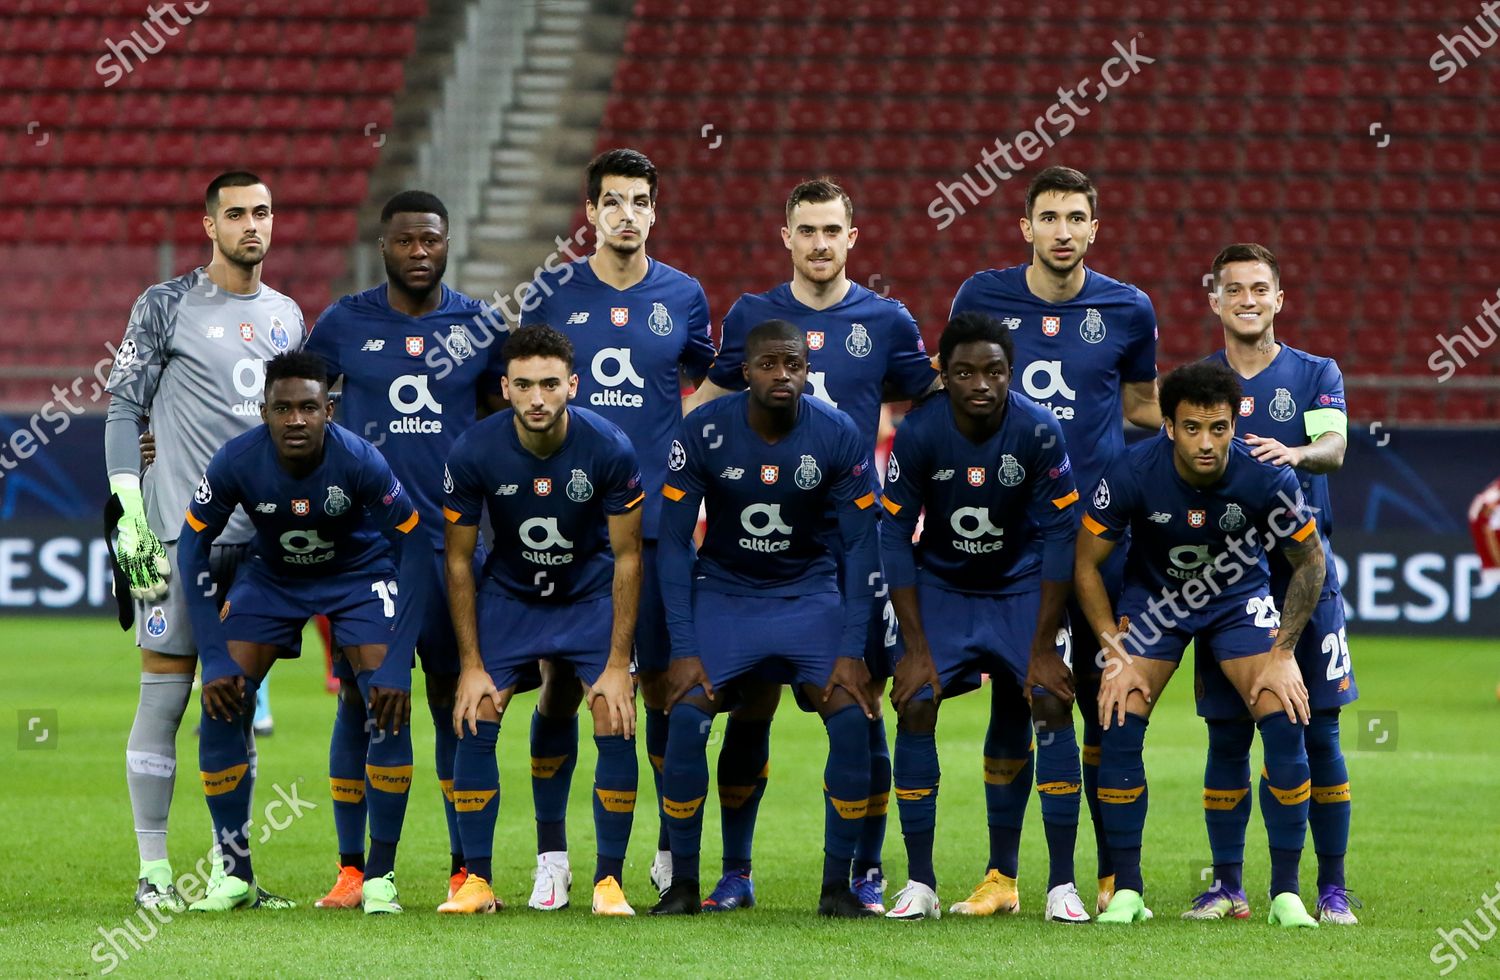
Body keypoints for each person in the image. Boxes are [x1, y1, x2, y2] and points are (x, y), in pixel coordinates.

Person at [682, 177, 936, 913]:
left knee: (862, 702)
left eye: (833, 230)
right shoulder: (754, 315)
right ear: (785, 237)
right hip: (756, 555)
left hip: (849, 553)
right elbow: (704, 409)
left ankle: (863, 869)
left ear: (852, 238)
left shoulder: (886, 321)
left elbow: (933, 405)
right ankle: (735, 870)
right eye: (808, 230)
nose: (821, 243)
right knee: (751, 706)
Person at [949, 164, 1161, 913]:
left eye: (1077, 217)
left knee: (1106, 702)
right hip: (1009, 538)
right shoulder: (981, 298)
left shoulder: (1129, 310)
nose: (1064, 231)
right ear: (1026, 227)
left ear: (1094, 228)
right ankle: (1003, 877)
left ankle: (1110, 874)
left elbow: (1143, 411)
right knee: (1014, 699)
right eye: (1050, 217)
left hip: (1101, 542)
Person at [518, 148, 714, 905]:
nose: (626, 215)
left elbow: (714, 373)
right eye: (612, 202)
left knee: (661, 687)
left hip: (659, 526)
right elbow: (521, 394)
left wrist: (679, 438)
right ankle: (553, 859)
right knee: (564, 685)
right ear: (590, 213)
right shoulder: (554, 291)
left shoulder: (685, 295)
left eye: (639, 201)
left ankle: (667, 851)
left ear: (654, 212)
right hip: (568, 530)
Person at [104, 170, 304, 911]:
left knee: (235, 702)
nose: (254, 225)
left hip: (262, 545)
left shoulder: (288, 315)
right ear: (208, 224)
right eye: (238, 214)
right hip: (172, 539)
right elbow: (124, 410)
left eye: (264, 211)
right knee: (164, 695)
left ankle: (234, 871)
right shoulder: (165, 305)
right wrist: (128, 507)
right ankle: (153, 871)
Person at [178, 351, 431, 914]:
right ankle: (235, 875)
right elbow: (192, 544)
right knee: (222, 703)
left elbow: (414, 543)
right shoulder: (236, 461)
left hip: (358, 576)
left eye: (308, 407)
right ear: (263, 410)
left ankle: (380, 878)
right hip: (273, 580)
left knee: (387, 701)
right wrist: (213, 658)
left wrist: (398, 662)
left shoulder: (360, 461)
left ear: (329, 410)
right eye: (283, 407)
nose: (296, 419)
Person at [304, 190, 503, 908]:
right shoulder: (342, 324)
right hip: (366, 555)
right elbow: (300, 408)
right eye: (407, 241)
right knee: (362, 703)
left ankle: (464, 869)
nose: (420, 252)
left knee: (457, 701)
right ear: (383, 247)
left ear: (447, 244)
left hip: (455, 552)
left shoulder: (480, 326)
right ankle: (357, 870)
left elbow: (498, 424)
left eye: (432, 241)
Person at [1075, 361, 1326, 928]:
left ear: (1236, 423)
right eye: (1192, 428)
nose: (1206, 442)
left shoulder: (1267, 477)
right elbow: (1085, 566)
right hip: (1157, 604)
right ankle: (1128, 891)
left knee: (1284, 715)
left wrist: (1283, 653)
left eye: (1218, 427)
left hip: (1238, 601)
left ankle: (1285, 893)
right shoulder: (1132, 469)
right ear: (1168, 426)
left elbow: (1310, 563)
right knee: (1117, 716)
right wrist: (1115, 653)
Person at [651, 319, 882, 918]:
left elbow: (860, 548)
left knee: (853, 721)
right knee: (686, 718)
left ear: (807, 370)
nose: (784, 374)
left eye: (795, 364)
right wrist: (683, 647)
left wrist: (853, 650)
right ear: (745, 372)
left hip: (809, 592)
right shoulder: (702, 428)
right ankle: (683, 885)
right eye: (770, 364)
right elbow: (675, 543)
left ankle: (837, 889)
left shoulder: (837, 433)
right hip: (726, 591)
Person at [880, 312, 1085, 922]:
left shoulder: (1039, 430)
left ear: (1010, 373)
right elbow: (893, 531)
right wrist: (914, 647)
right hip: (944, 586)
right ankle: (919, 883)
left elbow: (1060, 533)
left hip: (1021, 587)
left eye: (994, 371)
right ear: (942, 373)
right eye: (964, 371)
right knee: (915, 699)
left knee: (1049, 701)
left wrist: (1046, 645)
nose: (980, 384)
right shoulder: (919, 433)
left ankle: (1061, 886)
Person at [439, 325, 645, 917]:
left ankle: (609, 882)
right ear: (504, 387)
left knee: (612, 710)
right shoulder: (474, 451)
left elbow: (629, 557)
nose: (537, 398)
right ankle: (477, 882)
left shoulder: (609, 448)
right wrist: (472, 665)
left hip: (587, 598)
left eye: (550, 384)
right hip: (512, 595)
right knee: (475, 712)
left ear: (572, 386)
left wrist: (615, 664)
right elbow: (458, 560)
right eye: (524, 384)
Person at [1185, 243, 1360, 924]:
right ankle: (1227, 887)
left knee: (1320, 733)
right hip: (1226, 584)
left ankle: (1331, 889)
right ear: (1216, 301)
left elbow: (1336, 448)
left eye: (1261, 288)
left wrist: (1296, 453)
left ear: (1279, 299)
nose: (1248, 299)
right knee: (1227, 736)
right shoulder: (1200, 380)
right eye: (1235, 289)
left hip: (1303, 578)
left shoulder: (1315, 372)